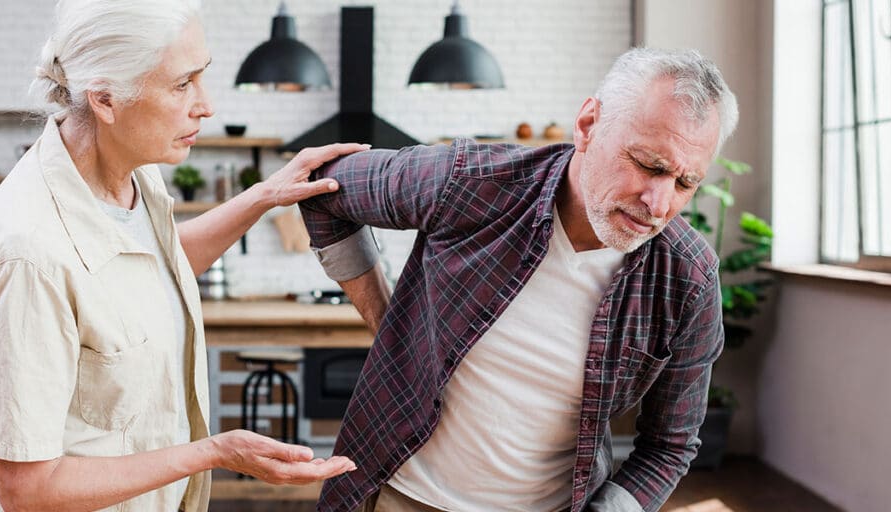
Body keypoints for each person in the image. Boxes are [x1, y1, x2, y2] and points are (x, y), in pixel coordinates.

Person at [0, 1, 364, 510]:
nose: (206, 105)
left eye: (202, 77)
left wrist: (264, 195)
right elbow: (28, 489)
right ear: (105, 99)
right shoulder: (28, 256)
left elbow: (155, 267)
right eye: (182, 84)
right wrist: (214, 452)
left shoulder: (130, 173)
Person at [298, 47, 738, 512]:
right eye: (649, 164)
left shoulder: (688, 276)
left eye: (685, 183)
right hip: (396, 496)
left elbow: (668, 446)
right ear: (589, 124)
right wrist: (384, 318)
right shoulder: (472, 182)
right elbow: (321, 187)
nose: (659, 203)